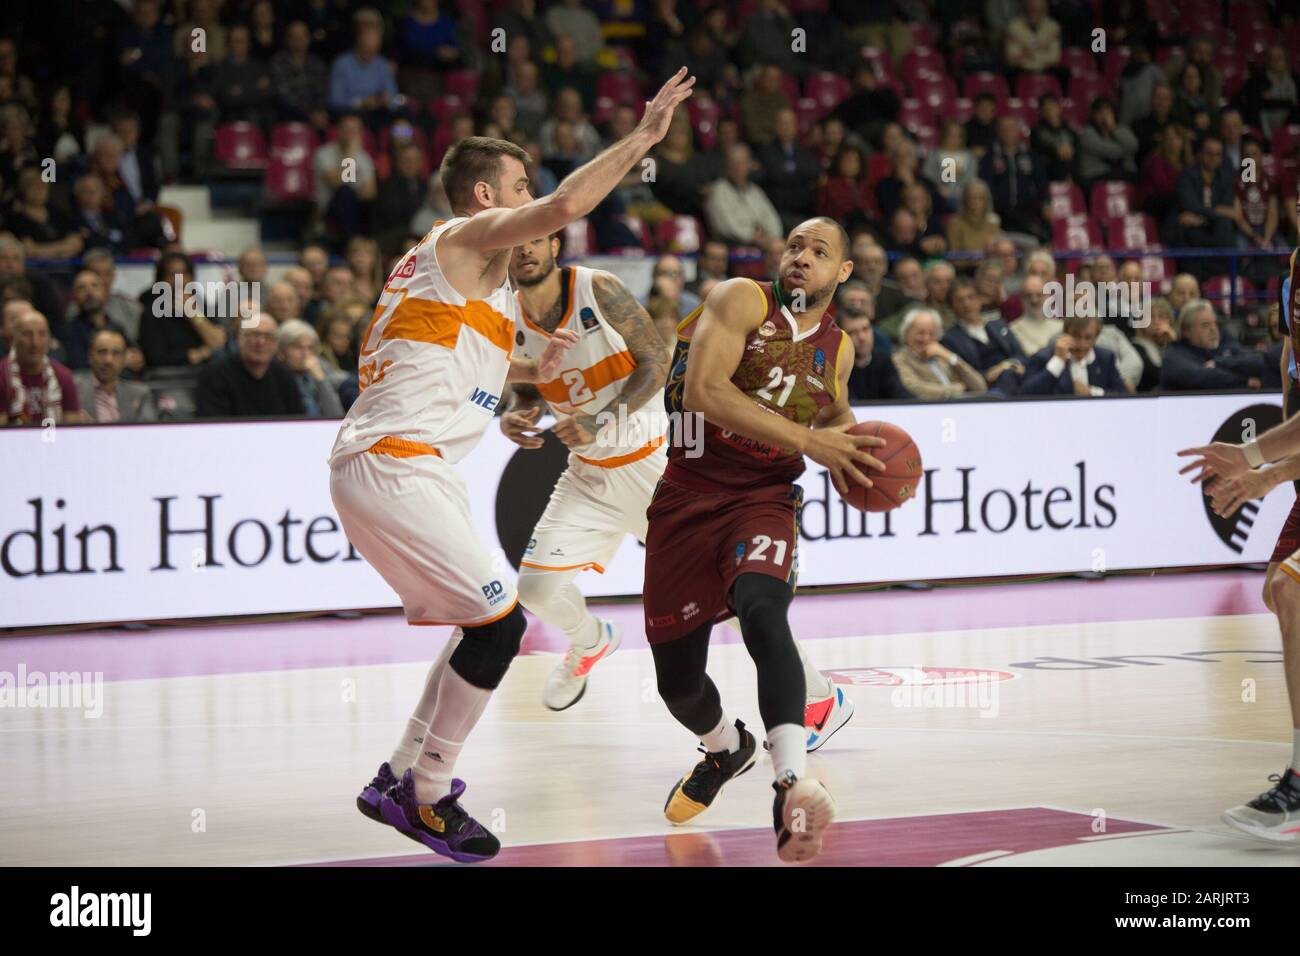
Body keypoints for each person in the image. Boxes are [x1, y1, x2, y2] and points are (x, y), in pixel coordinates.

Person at [330, 70, 697, 864]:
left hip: (390, 464)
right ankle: (426, 798)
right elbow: (567, 206)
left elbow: (453, 372)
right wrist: (644, 139)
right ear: (488, 195)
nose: (535, 205)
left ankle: (397, 774)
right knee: (500, 630)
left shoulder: (477, 293)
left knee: (479, 625)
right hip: (395, 465)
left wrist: (524, 388)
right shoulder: (457, 240)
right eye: (521, 187)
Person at [644, 217, 879, 862]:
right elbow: (706, 391)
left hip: (763, 497)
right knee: (678, 683)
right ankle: (727, 748)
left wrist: (849, 450)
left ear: (843, 273)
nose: (801, 257)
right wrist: (814, 441)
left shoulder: (841, 347)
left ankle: (789, 786)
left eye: (820, 252)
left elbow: (830, 411)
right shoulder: (743, 298)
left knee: (765, 615)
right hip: (686, 496)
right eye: (796, 246)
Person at [501, 234, 670, 709]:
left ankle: (815, 697)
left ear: (555, 245)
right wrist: (520, 411)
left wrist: (602, 418)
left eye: (535, 240)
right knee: (534, 588)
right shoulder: (507, 313)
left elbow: (657, 361)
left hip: (650, 466)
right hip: (589, 475)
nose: (525, 249)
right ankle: (591, 639)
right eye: (516, 243)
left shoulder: (598, 288)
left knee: (726, 595)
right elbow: (533, 385)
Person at [1175, 251, 1300, 841]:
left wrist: (1268, 474)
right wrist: (1249, 455)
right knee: (1281, 593)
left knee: (1291, 592)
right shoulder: (1293, 275)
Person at [194, 312, 306, 418]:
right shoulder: (215, 375)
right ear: (239, 339)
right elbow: (212, 426)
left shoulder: (284, 376)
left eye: (268, 336)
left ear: (277, 344)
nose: (261, 342)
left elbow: (298, 421)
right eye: (254, 335)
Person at [1, 310, 87, 425]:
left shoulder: (63, 376)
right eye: (27, 334)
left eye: (42, 334)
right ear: (13, 339)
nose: (35, 343)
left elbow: (71, 429)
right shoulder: (2, 374)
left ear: (49, 339)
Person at [941, 279, 1026, 395]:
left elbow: (1020, 354)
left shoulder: (999, 325)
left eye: (971, 297)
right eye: (960, 300)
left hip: (1015, 374)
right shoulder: (950, 339)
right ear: (952, 306)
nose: (966, 304)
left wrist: (1006, 366)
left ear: (980, 300)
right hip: (987, 387)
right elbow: (961, 373)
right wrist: (988, 374)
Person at [1160, 299, 1266, 391]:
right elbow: (1202, 377)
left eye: (1215, 323)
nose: (1213, 330)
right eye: (1205, 325)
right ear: (1187, 331)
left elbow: (1258, 362)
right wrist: (1245, 381)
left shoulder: (1225, 343)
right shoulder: (1174, 355)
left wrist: (1220, 363)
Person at [892, 307, 987, 400]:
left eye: (931, 334)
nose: (926, 338)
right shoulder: (899, 359)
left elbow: (980, 387)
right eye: (921, 333)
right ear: (906, 333)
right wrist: (958, 389)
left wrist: (952, 358)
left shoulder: (941, 357)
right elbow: (916, 389)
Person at [1022, 314, 1128, 395]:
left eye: (1088, 338)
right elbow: (1025, 393)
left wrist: (1091, 392)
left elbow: (1122, 395)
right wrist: (1057, 362)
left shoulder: (1105, 358)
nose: (1081, 344)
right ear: (1065, 333)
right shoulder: (1044, 357)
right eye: (1076, 336)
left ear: (1096, 338)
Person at [74, 328, 158, 423]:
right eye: (102, 352)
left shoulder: (140, 393)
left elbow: (148, 432)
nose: (108, 360)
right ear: (90, 355)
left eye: (116, 353)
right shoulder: (73, 389)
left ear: (123, 358)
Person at [278, 319, 344, 418]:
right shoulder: (276, 376)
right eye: (298, 347)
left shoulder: (320, 369)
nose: (305, 354)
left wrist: (321, 381)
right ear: (282, 351)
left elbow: (336, 416)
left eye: (310, 348)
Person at [1009, 273, 1061, 355]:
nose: (1034, 300)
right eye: (1029, 296)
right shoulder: (1012, 330)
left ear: (1047, 296)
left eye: (1039, 295)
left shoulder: (1060, 327)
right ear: (1021, 299)